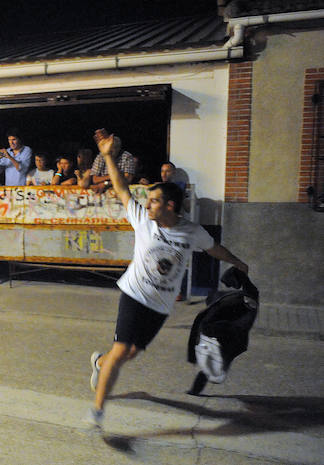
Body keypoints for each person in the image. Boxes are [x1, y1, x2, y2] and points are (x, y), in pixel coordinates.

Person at [84, 130, 249, 429]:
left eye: (153, 201)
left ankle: (99, 362)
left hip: (160, 306)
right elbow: (121, 188)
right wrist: (107, 155)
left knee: (130, 353)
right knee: (120, 352)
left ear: (170, 206)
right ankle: (97, 411)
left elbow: (213, 248)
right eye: (147, 201)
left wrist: (237, 261)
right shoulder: (143, 221)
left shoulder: (192, 231)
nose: (147, 206)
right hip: (134, 294)